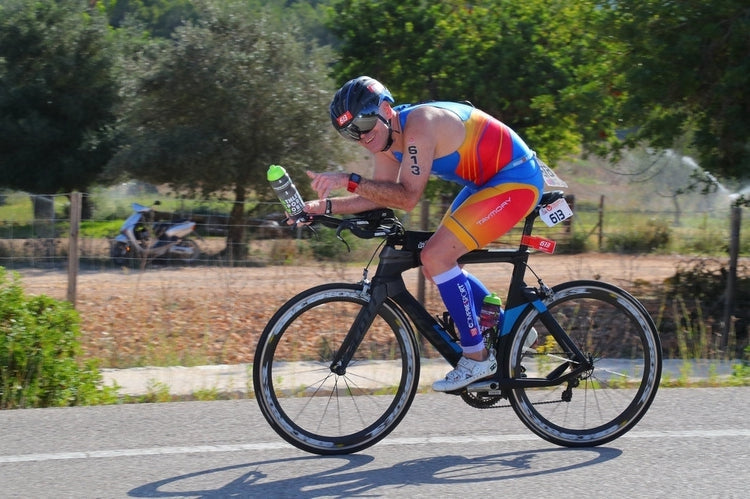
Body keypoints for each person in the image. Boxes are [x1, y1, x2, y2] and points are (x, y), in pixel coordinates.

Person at [303, 76, 545, 392]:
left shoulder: (420, 124)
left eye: (363, 124)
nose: (361, 137)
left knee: (436, 256)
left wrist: (349, 179)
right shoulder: (384, 140)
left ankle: (478, 359)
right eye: (350, 133)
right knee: (435, 263)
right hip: (486, 184)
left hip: (516, 179)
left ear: (386, 109)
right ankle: (510, 326)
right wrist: (321, 207)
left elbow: (406, 198)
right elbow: (377, 195)